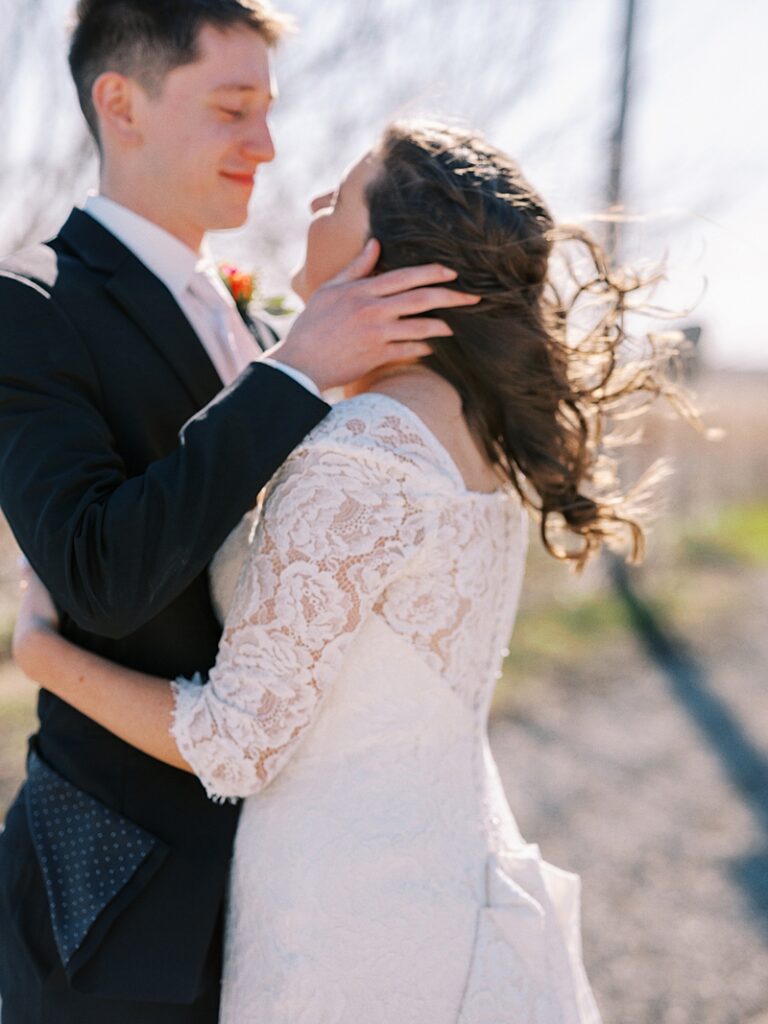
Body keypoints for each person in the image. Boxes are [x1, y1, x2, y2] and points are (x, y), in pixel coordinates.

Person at [12, 119, 687, 1023]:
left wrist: (40, 652)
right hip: (446, 876)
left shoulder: (364, 451)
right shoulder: (468, 423)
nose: (311, 199)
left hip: (343, 921)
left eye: (339, 194)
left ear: (386, 257)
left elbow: (237, 744)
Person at [0, 1, 480, 1021]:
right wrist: (295, 371)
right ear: (120, 104)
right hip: (115, 896)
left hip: (301, 888)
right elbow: (99, 577)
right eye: (233, 108)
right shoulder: (31, 306)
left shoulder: (265, 318)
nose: (266, 144)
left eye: (270, 108)